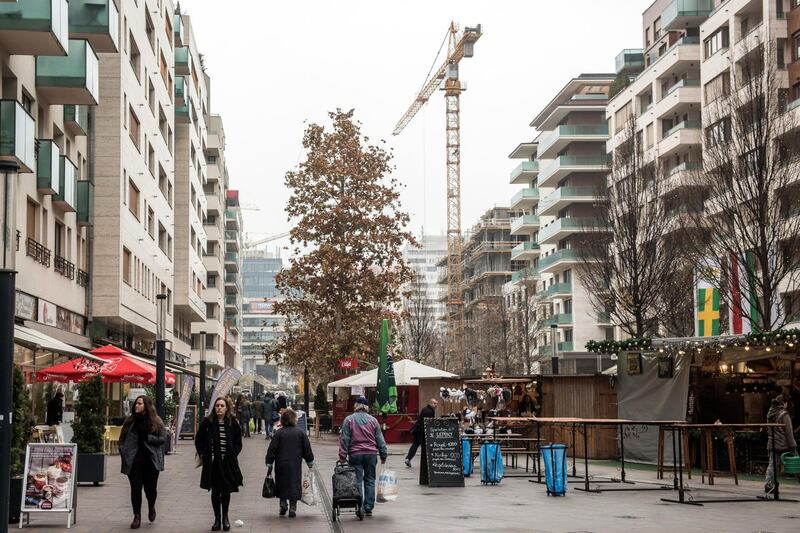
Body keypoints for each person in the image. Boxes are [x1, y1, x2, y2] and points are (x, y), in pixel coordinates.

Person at [118, 395, 167, 529]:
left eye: (139, 403)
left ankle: (151, 506)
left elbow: (163, 438)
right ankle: (137, 516)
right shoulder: (130, 421)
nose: (136, 406)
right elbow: (121, 439)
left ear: (146, 405)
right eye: (136, 404)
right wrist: (124, 451)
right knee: (135, 489)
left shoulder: (155, 421)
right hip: (134, 461)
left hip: (151, 461)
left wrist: (149, 438)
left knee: (151, 490)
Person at [195, 397, 244, 531]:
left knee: (226, 490)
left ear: (227, 407)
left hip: (228, 462)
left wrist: (233, 453)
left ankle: (225, 518)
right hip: (213, 462)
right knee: (215, 491)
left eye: (222, 406)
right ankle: (217, 519)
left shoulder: (232, 422)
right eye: (217, 406)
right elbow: (198, 439)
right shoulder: (208, 422)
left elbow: (238, 442)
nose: (219, 408)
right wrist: (203, 453)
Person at [338, 396, 388, 517]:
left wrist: (343, 455)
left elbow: (345, 438)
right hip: (371, 454)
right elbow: (380, 439)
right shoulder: (373, 421)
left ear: (356, 406)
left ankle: (358, 504)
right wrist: (383, 453)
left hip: (355, 454)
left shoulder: (349, 420)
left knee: (357, 480)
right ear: (366, 407)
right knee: (370, 480)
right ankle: (368, 506)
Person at [265, 408, 315, 517]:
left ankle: (283, 504)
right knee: (294, 483)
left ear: (282, 420)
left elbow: (272, 449)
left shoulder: (279, 433)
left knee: (282, 483)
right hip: (295, 464)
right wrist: (310, 461)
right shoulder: (300, 433)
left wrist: (269, 463)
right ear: (294, 420)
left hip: (281, 464)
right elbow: (307, 449)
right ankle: (293, 508)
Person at [765, 394, 797, 495]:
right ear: (784, 403)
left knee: (772, 465)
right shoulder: (784, 414)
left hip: (772, 443)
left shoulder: (770, 413)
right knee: (796, 462)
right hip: (784, 444)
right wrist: (793, 447)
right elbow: (789, 433)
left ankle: (769, 484)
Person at [405, 398, 438, 467]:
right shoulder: (430, 411)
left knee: (415, 445)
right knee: (424, 446)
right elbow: (429, 422)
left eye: (436, 403)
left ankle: (408, 459)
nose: (436, 405)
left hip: (418, 430)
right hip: (421, 431)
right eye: (435, 403)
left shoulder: (425, 409)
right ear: (431, 403)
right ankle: (428, 462)